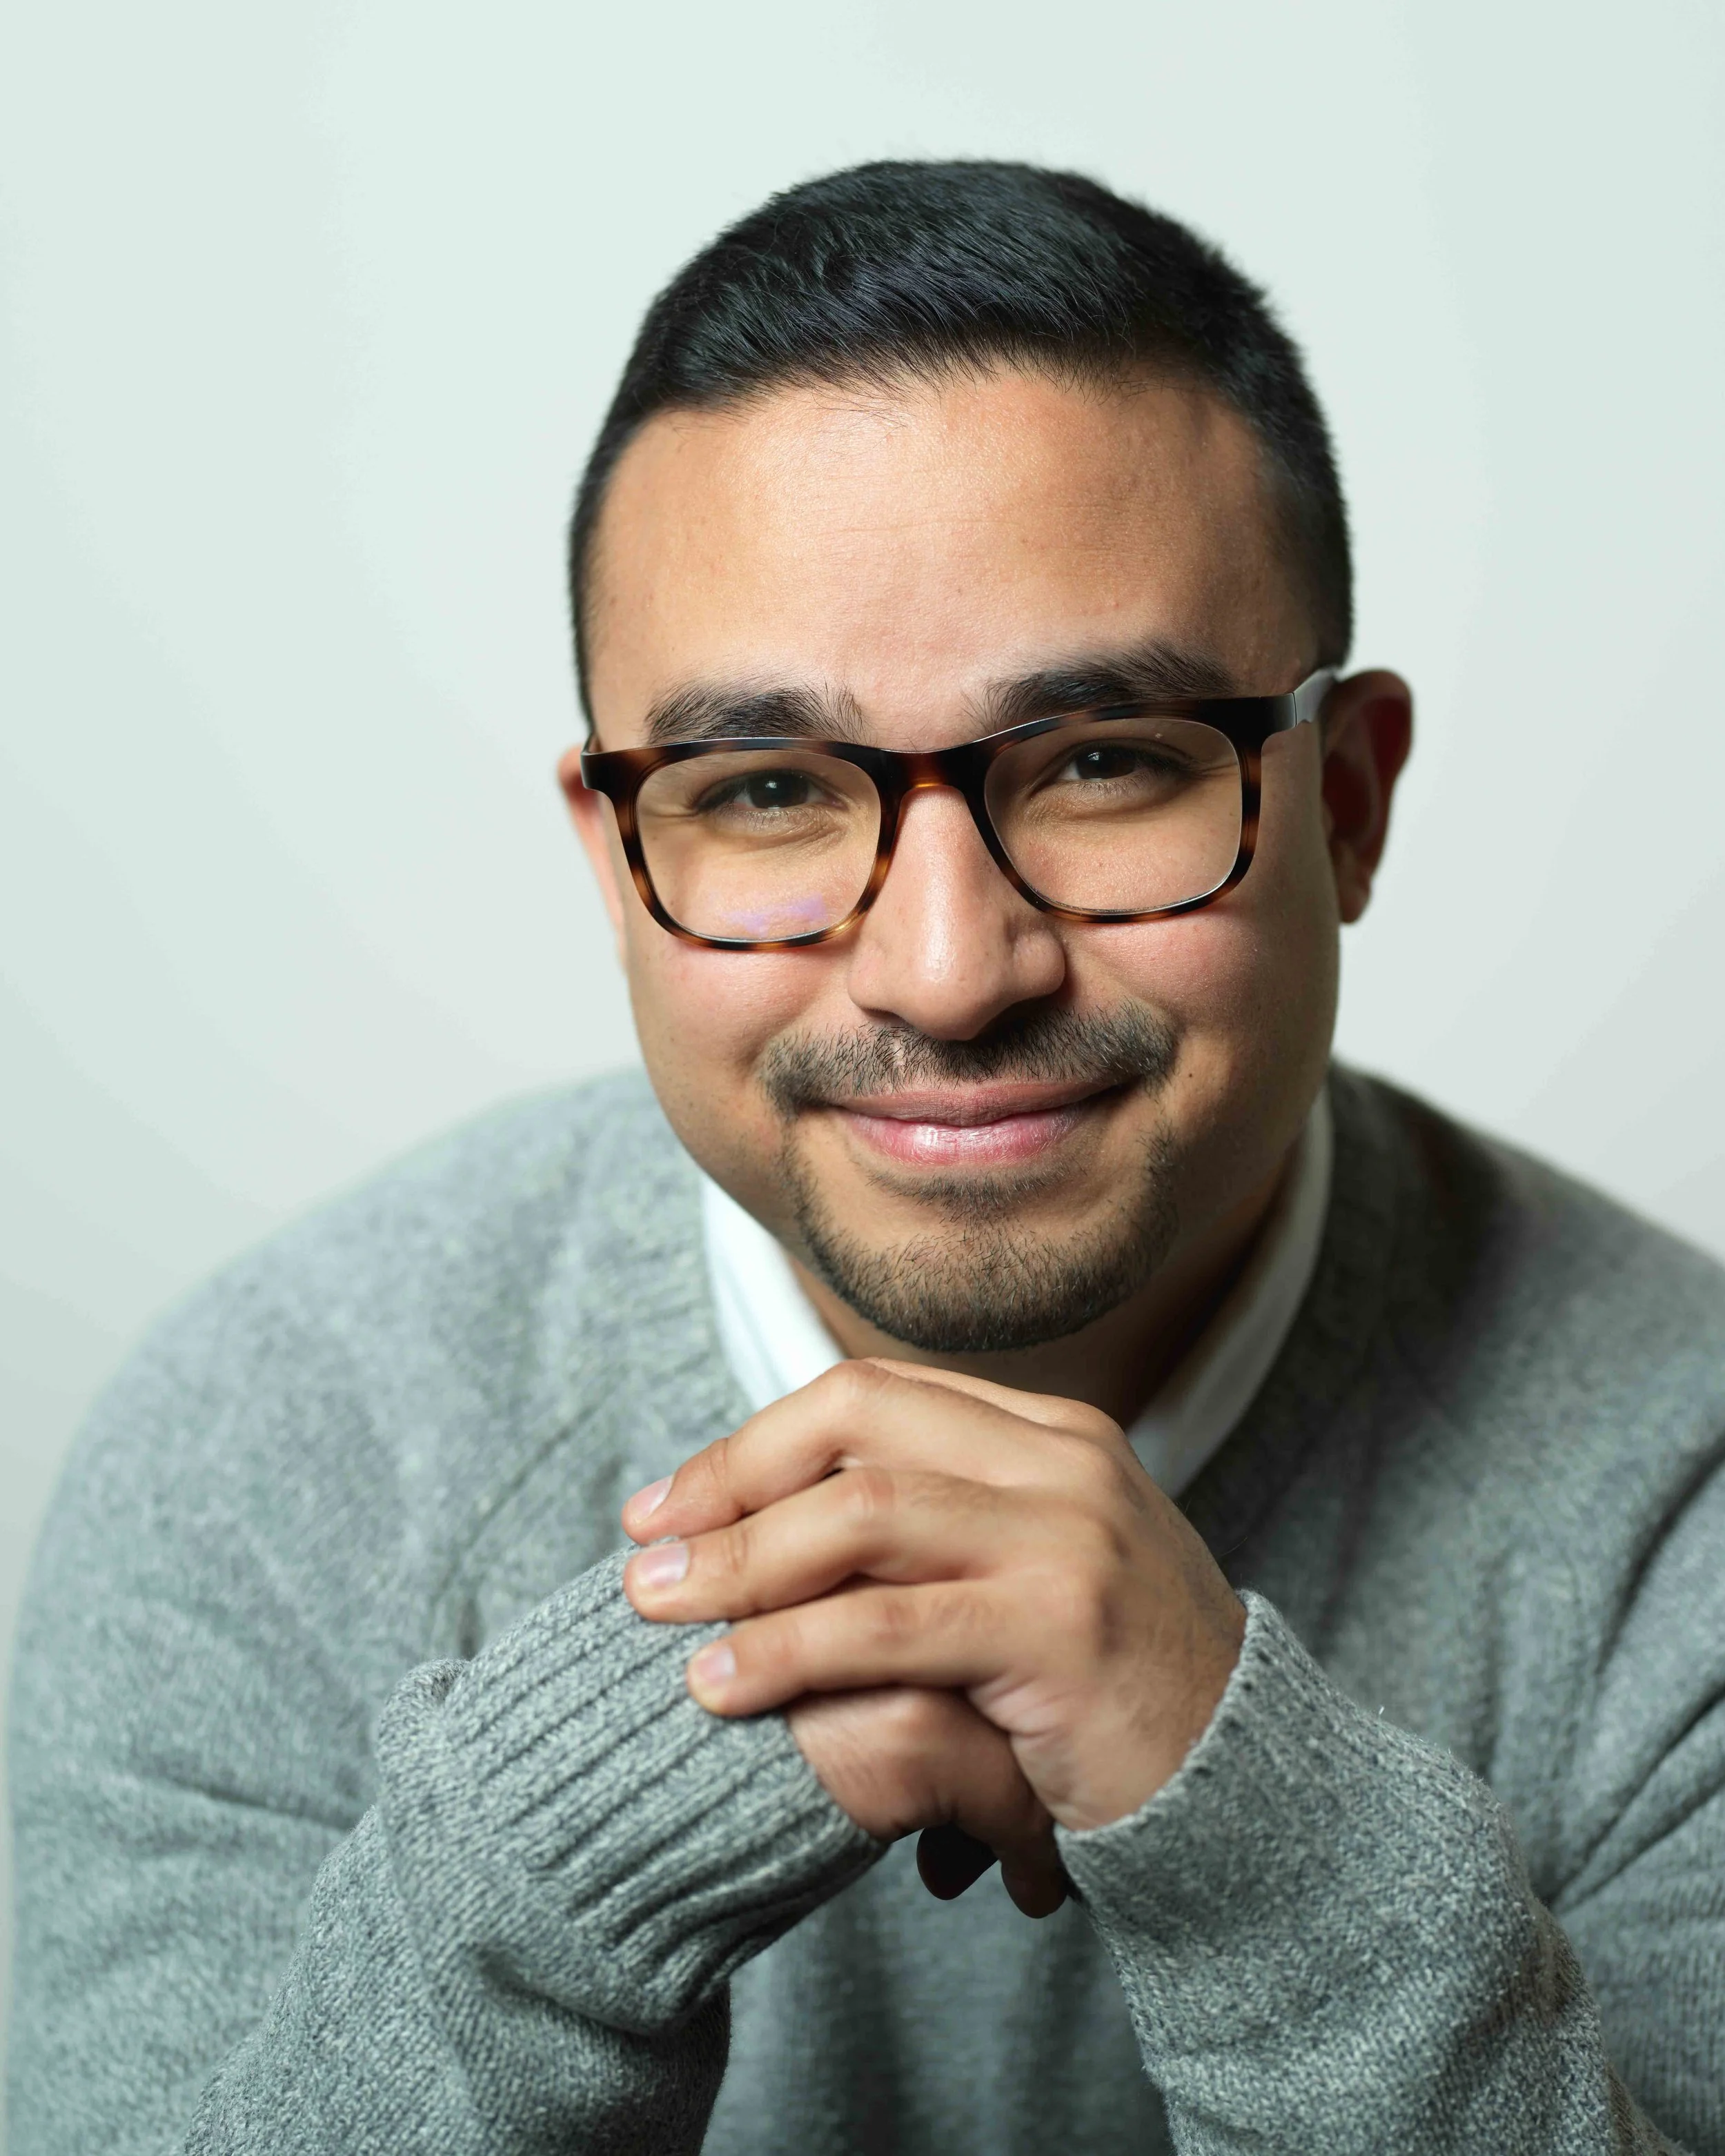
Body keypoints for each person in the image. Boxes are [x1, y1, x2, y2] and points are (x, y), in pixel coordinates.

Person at [9, 159, 1724, 2156]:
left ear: (1345, 803)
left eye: (1104, 762)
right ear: (619, 863)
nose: (947, 968)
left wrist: (1264, 1846)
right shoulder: (276, 1463)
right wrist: (594, 1837)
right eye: (765, 790)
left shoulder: (1679, 1505)